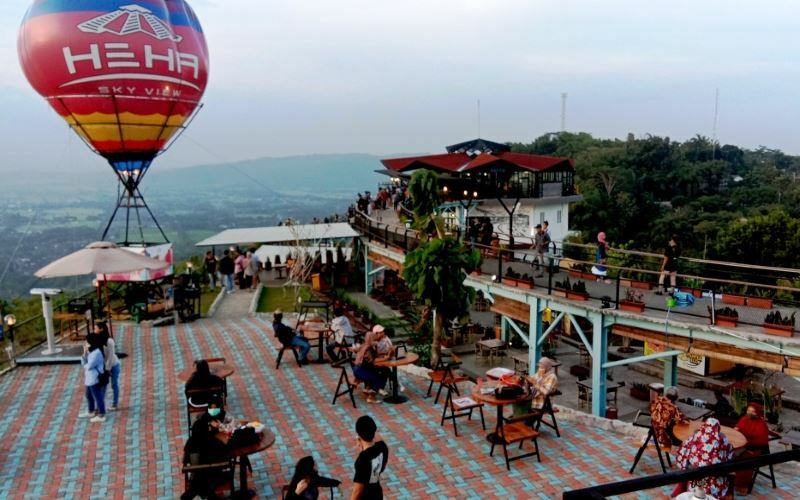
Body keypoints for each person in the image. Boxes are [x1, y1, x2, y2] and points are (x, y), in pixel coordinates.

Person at [181, 400, 229, 500]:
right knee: (209, 469)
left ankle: (198, 490)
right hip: (201, 455)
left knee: (204, 472)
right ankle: (204, 492)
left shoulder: (220, 419)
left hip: (203, 457)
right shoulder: (201, 424)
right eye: (211, 408)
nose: (213, 410)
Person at [676, 418, 734, 498]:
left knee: (697, 493)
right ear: (718, 427)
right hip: (715, 476)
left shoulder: (696, 436)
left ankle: (696, 495)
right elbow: (729, 452)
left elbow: (685, 447)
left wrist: (685, 465)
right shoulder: (723, 439)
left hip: (698, 474)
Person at [734, 402, 771, 495]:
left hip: (754, 449)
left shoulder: (761, 424)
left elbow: (762, 442)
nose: (750, 413)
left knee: (745, 460)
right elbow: (737, 428)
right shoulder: (744, 419)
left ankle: (742, 487)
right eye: (748, 410)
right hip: (741, 445)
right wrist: (736, 430)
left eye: (753, 411)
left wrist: (747, 443)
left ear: (757, 413)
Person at [351, 416, 389, 500]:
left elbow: (357, 490)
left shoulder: (362, 460)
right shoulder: (383, 447)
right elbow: (381, 468)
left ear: (359, 435)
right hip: (377, 492)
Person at [353, 332, 389, 403]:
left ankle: (368, 388)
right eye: (374, 338)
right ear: (371, 339)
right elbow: (372, 360)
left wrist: (384, 353)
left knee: (380, 370)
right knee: (379, 377)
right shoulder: (368, 348)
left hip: (357, 368)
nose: (375, 340)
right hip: (361, 371)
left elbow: (373, 355)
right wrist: (386, 358)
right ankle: (371, 397)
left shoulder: (364, 345)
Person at [79, 334, 107, 423]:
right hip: (89, 378)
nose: (85, 343)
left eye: (87, 341)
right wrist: (84, 353)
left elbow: (88, 366)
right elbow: (83, 361)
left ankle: (101, 414)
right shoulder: (90, 351)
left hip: (94, 378)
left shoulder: (96, 353)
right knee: (88, 395)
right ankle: (91, 411)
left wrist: (85, 364)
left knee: (98, 396)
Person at [94, 321, 121, 411]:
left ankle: (115, 404)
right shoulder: (97, 339)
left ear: (101, 329)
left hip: (113, 365)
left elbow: (110, 356)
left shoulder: (109, 341)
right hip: (104, 366)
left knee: (114, 384)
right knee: (102, 386)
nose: (94, 330)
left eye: (96, 328)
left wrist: (107, 369)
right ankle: (99, 406)